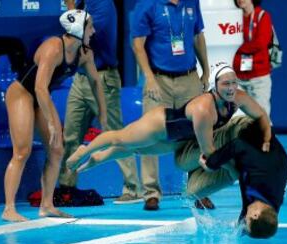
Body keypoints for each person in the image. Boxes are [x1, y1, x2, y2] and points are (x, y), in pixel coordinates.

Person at [66, 63, 271, 186]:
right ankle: (85, 150)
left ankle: (99, 158)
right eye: (226, 84)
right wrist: (234, 170)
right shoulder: (204, 109)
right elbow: (209, 150)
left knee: (135, 151)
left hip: (179, 139)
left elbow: (261, 116)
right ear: (214, 87)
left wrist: (267, 139)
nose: (231, 88)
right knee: (120, 137)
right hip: (160, 126)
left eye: (234, 82)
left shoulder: (238, 97)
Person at [2, 9, 107, 222]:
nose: (93, 31)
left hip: (42, 99)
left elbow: (96, 82)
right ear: (78, 29)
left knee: (57, 150)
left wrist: (103, 116)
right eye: (90, 27)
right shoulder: (53, 48)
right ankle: (9, 208)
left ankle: (47, 205)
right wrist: (52, 124)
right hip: (22, 93)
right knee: (22, 150)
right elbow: (39, 87)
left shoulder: (85, 54)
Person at [59, 0, 142, 205]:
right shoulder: (82, 4)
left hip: (102, 79)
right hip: (80, 78)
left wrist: (71, 9)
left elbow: (85, 37)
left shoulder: (103, 5)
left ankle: (133, 188)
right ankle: (67, 187)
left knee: (114, 133)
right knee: (71, 135)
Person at [131, 0, 211, 210]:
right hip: (159, 80)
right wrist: (148, 77)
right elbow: (137, 44)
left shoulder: (192, 2)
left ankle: (199, 190)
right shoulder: (147, 4)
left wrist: (206, 71)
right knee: (149, 135)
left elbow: (197, 36)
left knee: (198, 134)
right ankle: (151, 193)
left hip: (189, 78)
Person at [199, 120, 287, 238]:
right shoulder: (261, 177)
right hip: (243, 130)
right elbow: (238, 145)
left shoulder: (267, 211)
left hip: (246, 159)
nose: (243, 221)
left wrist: (237, 235)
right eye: (246, 223)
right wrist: (212, 163)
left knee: (192, 192)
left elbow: (249, 209)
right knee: (184, 162)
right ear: (256, 215)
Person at [233, 0, 274, 119]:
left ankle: (265, 138)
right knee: (238, 117)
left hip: (258, 77)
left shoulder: (262, 16)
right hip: (237, 77)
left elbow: (261, 43)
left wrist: (238, 48)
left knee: (261, 114)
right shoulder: (234, 16)